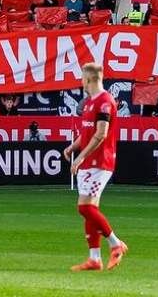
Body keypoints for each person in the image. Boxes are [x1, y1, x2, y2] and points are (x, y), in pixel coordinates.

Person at [62, 63, 128, 272]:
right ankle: (94, 258)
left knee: (84, 207)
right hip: (90, 161)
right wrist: (73, 146)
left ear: (89, 79)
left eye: (82, 77)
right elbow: (88, 131)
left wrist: (80, 157)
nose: (80, 81)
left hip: (100, 161)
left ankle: (115, 244)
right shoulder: (90, 102)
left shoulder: (105, 101)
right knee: (90, 210)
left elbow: (101, 134)